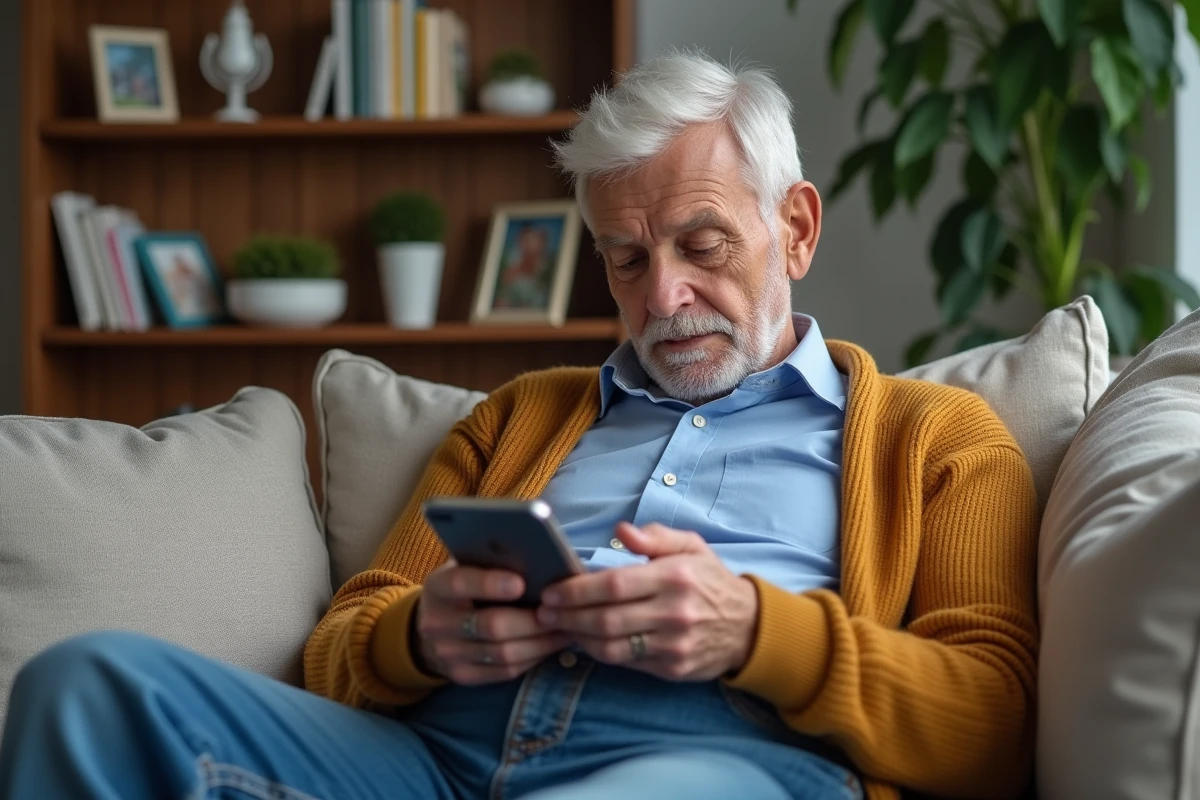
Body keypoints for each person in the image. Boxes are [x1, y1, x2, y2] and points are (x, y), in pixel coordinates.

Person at [0, 51, 1038, 800]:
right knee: (85, 683)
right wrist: (423, 632)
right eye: (627, 258)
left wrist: (756, 629)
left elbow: (992, 721)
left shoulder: (937, 437)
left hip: (723, 755)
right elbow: (343, 645)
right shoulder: (520, 416)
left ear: (796, 227)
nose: (665, 293)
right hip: (435, 756)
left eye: (703, 244)